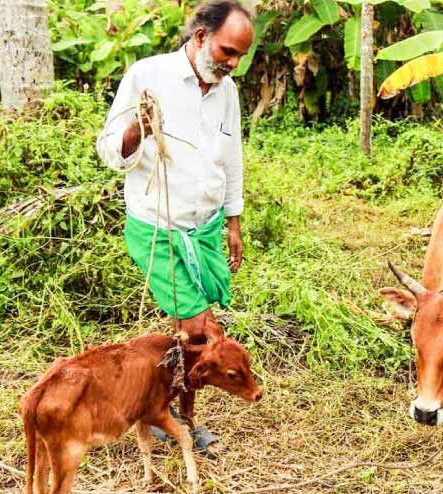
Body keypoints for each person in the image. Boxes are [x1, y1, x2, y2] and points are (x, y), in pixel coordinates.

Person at [96, 0, 254, 453]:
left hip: (204, 230)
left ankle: (161, 408)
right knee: (202, 331)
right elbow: (109, 150)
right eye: (227, 51)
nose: (233, 64)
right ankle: (179, 421)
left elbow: (231, 158)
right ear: (201, 36)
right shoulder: (148, 75)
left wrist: (233, 221)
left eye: (240, 56)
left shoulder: (227, 91)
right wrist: (137, 131)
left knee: (192, 332)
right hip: (158, 230)